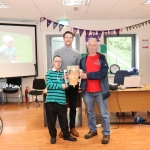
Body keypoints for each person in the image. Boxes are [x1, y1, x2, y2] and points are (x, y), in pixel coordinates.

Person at [79, 38, 110, 144]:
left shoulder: (102, 58)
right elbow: (80, 72)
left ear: (97, 47)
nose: (92, 47)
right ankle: (93, 130)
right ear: (87, 47)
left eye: (94, 45)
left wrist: (88, 75)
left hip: (101, 91)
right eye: (90, 45)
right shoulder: (83, 60)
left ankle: (106, 133)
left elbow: (103, 73)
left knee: (104, 113)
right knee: (90, 113)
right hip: (87, 91)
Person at [53, 31, 81, 138]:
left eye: (70, 37)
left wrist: (77, 73)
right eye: (66, 37)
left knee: (73, 107)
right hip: (61, 84)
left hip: (73, 84)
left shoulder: (77, 53)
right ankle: (63, 129)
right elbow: (55, 66)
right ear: (63, 39)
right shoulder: (57, 51)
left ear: (72, 39)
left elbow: (78, 69)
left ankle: (72, 127)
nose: (68, 39)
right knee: (62, 108)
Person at [45, 55, 77, 144]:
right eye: (56, 61)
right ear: (53, 62)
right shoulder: (49, 73)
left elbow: (66, 88)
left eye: (60, 61)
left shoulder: (64, 74)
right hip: (50, 101)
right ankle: (53, 136)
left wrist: (66, 81)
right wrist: (60, 86)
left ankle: (66, 135)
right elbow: (49, 85)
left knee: (64, 120)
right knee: (51, 121)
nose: (58, 63)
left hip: (61, 101)